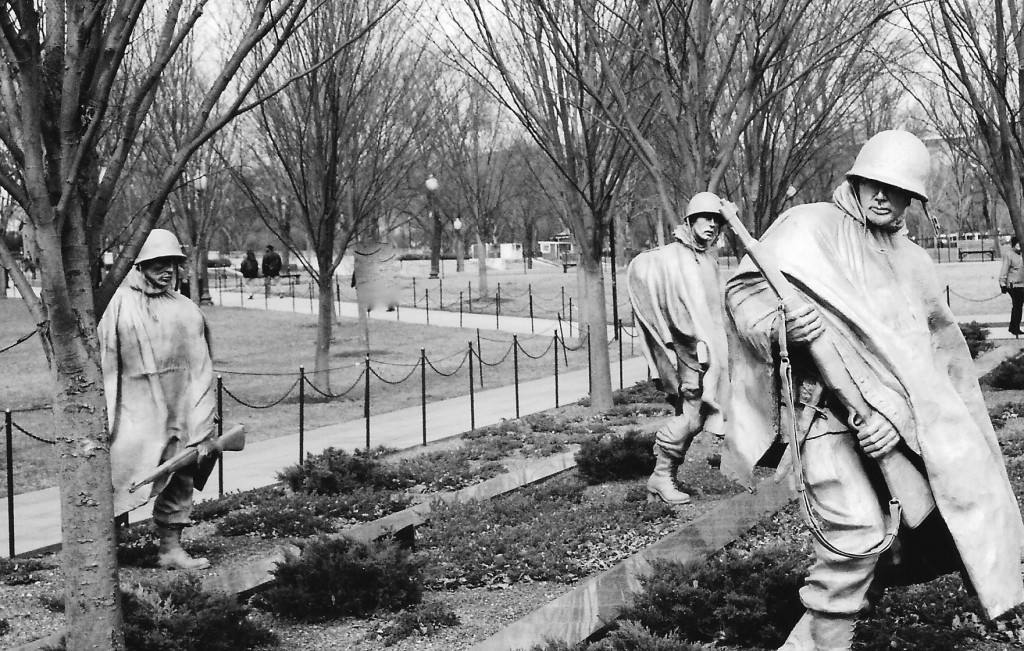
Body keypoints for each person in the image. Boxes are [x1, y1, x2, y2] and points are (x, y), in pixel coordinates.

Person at [723, 130, 1024, 650]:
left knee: (924, 538)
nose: (882, 196)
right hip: (827, 417)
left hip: (900, 430)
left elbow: (940, 356)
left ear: (913, 199)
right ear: (856, 181)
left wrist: (918, 426)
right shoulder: (807, 227)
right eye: (872, 183)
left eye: (897, 189)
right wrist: (783, 328)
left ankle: (822, 631)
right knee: (857, 535)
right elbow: (744, 295)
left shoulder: (916, 264)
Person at [99, 229, 218, 570]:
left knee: (180, 475)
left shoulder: (187, 310)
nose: (167, 271)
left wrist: (203, 423)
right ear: (140, 265)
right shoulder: (116, 305)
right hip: (131, 409)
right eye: (158, 263)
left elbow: (201, 369)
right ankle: (108, 549)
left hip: (180, 405)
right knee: (119, 475)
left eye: (172, 263)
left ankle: (170, 548)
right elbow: (105, 365)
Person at [626, 191, 732, 505]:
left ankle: (665, 479)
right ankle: (660, 476)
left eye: (717, 220)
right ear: (691, 219)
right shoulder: (676, 258)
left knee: (692, 416)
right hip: (693, 355)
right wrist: (695, 350)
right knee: (694, 417)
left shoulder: (708, 260)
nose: (712, 225)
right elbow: (682, 312)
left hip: (710, 353)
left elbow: (714, 311)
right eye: (706, 218)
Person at [999, 236, 1024, 337]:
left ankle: (1013, 326)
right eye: (1017, 244)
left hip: (1022, 284)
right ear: (1014, 245)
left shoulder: (1022, 255)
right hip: (1013, 285)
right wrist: (1002, 283)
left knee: (1018, 306)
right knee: (1017, 306)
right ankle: (1015, 328)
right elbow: (1004, 269)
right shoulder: (1009, 255)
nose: (1019, 246)